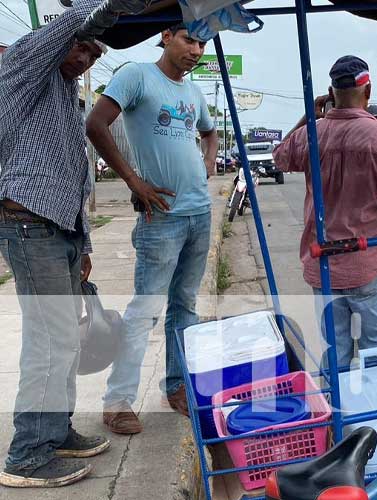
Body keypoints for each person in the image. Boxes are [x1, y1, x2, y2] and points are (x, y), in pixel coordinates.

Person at [0, 0, 111, 488]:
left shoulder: (68, 96)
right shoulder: (24, 70)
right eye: (78, 45)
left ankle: (55, 430)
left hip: (59, 228)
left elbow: (73, 174)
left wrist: (83, 240)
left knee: (66, 338)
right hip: (29, 225)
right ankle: (27, 454)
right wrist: (98, 9)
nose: (84, 56)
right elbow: (64, 28)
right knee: (50, 341)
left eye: (94, 53)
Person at [86, 23, 217, 435]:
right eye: (188, 40)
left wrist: (209, 162)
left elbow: (209, 132)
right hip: (159, 219)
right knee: (145, 311)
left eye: (201, 43)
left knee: (185, 307)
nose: (195, 50)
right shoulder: (137, 76)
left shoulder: (194, 93)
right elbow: (96, 124)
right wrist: (134, 182)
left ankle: (176, 386)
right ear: (165, 36)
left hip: (200, 215)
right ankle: (118, 400)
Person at [273, 55, 377, 369]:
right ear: (367, 91)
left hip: (324, 263)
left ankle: (338, 418)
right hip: (370, 261)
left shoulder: (312, 134)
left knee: (335, 354)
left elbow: (280, 157)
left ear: (331, 92)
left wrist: (308, 118)